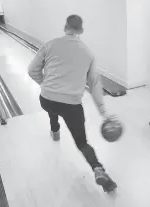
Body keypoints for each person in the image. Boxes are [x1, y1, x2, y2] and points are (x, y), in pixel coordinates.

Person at [27, 14, 117, 191]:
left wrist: (44, 84)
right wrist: (103, 112)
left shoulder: (50, 44)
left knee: (52, 109)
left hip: (46, 99)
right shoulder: (88, 53)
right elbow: (94, 84)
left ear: (65, 27)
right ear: (81, 30)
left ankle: (55, 130)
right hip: (71, 106)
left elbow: (31, 70)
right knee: (82, 143)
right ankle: (98, 169)